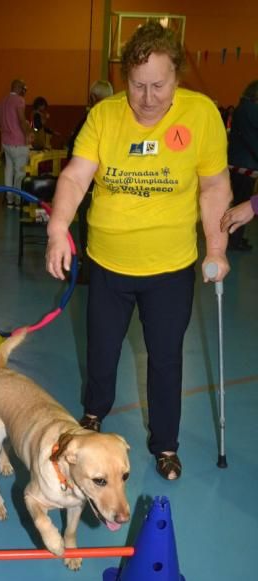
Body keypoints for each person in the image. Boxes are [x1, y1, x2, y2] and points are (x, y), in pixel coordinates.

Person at [45, 22, 232, 481]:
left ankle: (165, 443)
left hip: (169, 267)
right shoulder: (105, 116)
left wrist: (217, 246)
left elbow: (213, 186)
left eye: (159, 86)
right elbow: (74, 177)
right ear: (124, 76)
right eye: (137, 85)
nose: (147, 98)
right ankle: (92, 416)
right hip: (108, 263)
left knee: (166, 357)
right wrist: (57, 229)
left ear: (177, 78)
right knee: (102, 349)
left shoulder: (201, 114)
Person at [66, 80, 114, 283]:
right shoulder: (116, 119)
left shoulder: (93, 119)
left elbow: (76, 154)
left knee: (88, 229)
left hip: (90, 186)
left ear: (94, 98)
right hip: (107, 187)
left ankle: (88, 271)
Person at [227, 80, 258, 251]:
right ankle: (235, 240)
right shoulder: (251, 110)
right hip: (246, 165)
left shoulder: (241, 108)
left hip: (237, 163)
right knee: (244, 205)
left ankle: (235, 238)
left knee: (239, 202)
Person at [0, 79, 32, 207]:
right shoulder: (19, 100)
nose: (25, 92)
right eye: (24, 89)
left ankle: (9, 200)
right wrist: (28, 132)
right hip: (18, 142)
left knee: (9, 170)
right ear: (19, 88)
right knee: (20, 172)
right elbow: (22, 120)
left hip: (6, 142)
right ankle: (18, 200)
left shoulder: (2, 101)